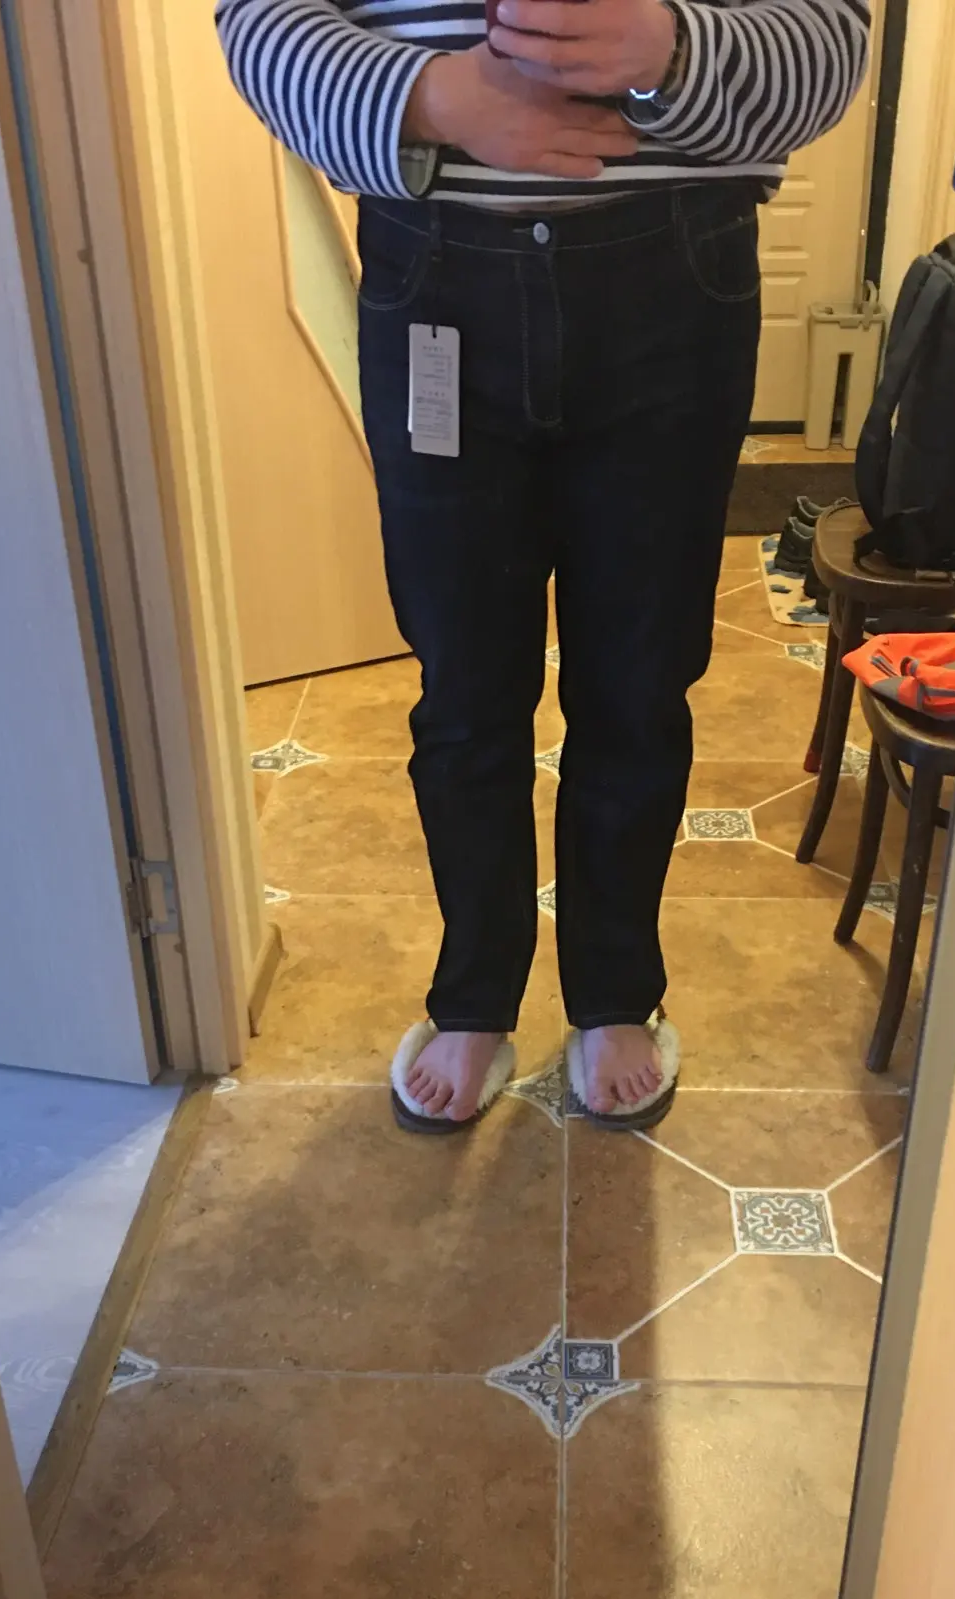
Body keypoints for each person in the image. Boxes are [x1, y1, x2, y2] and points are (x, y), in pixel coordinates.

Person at [216, 0, 869, 1130]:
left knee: (638, 683)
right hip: (436, 274)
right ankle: (475, 994)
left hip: (675, 276)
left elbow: (833, 34)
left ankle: (614, 990)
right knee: (464, 689)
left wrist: (677, 51)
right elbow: (257, 18)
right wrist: (428, 97)